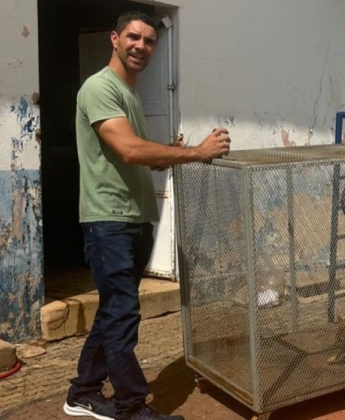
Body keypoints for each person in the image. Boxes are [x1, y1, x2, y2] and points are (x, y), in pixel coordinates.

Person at [63, 11, 230, 420]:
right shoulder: (100, 88)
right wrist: (196, 153)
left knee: (113, 311)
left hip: (133, 218)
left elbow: (139, 155)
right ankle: (131, 407)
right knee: (122, 314)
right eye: (134, 37)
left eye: (150, 41)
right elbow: (130, 150)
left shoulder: (128, 93)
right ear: (114, 38)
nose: (141, 46)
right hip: (110, 220)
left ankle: (83, 392)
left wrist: (168, 152)